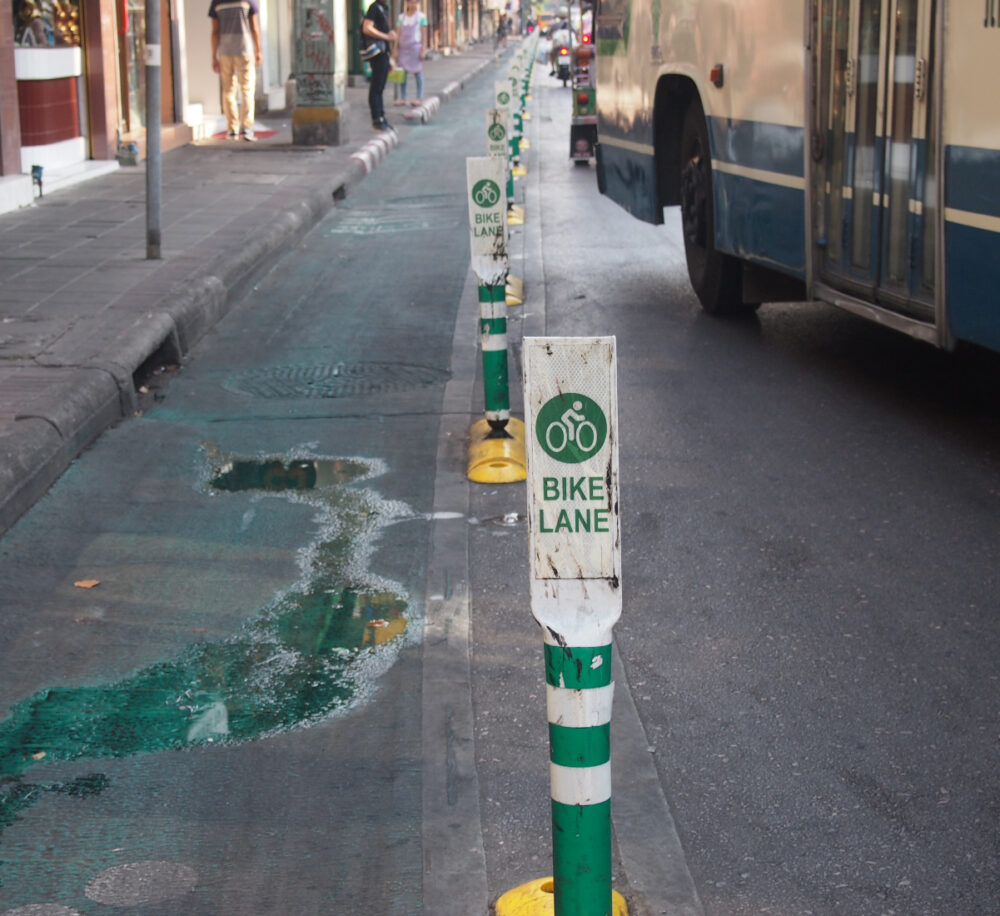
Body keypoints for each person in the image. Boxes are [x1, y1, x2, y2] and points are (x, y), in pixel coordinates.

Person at [209, 0, 262, 141]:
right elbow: (254, 28)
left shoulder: (217, 2)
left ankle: (232, 129)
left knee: (228, 90)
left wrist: (214, 56)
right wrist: (258, 50)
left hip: (225, 52)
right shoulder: (247, 1)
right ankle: (246, 128)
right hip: (244, 50)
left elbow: (215, 32)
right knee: (247, 89)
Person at [362, 0, 397, 131]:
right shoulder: (374, 8)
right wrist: (386, 36)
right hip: (377, 51)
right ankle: (377, 119)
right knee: (376, 87)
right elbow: (367, 28)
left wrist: (390, 58)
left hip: (383, 52)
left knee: (380, 87)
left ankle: (381, 116)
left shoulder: (384, 8)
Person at [394, 0, 428, 107]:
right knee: (402, 74)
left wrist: (423, 50)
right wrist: (395, 49)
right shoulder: (401, 18)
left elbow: (424, 35)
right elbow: (397, 34)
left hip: (415, 48)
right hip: (403, 49)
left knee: (418, 73)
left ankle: (419, 97)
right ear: (407, 3)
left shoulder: (421, 17)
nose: (413, 5)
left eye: (415, 2)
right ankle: (403, 97)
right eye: (411, 2)